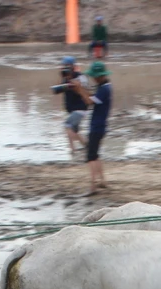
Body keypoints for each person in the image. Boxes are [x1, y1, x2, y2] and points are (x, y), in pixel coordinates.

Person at [74, 61, 112, 195]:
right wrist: (81, 90)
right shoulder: (106, 87)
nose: (94, 78)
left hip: (97, 126)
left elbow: (89, 101)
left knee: (90, 156)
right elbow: (92, 97)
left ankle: (93, 186)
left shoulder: (104, 89)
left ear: (100, 76)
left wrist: (79, 90)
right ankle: (102, 181)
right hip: (100, 126)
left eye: (95, 76)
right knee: (95, 154)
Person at [53, 55, 88, 155]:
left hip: (80, 108)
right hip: (73, 109)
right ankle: (87, 146)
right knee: (75, 130)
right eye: (64, 66)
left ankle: (73, 151)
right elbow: (58, 89)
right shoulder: (65, 77)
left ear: (73, 66)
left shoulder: (80, 76)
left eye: (68, 66)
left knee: (67, 125)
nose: (66, 68)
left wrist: (72, 82)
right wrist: (63, 78)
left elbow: (85, 88)